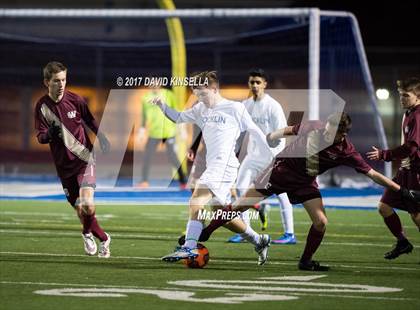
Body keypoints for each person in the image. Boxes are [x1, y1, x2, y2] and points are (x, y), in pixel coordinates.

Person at [196, 112, 420, 271]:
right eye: (326, 130)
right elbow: (290, 129)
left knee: (321, 221)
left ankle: (305, 261)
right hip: (280, 171)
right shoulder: (316, 126)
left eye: (331, 134)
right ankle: (205, 233)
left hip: (305, 183)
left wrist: (401, 190)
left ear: (342, 135)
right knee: (239, 206)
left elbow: (372, 174)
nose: (326, 135)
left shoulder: (346, 151)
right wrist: (272, 136)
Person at [153, 71, 274, 265]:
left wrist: (270, 156)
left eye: (202, 93)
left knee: (196, 200)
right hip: (216, 166)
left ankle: (189, 247)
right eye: (196, 94)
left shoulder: (235, 108)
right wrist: (161, 106)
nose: (199, 98)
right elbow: (178, 117)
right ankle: (259, 240)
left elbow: (255, 130)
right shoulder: (201, 108)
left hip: (224, 166)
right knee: (222, 216)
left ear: (214, 89)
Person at [34, 61, 111, 258]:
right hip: (64, 167)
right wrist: (49, 134)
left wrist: (101, 137)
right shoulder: (42, 107)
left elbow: (89, 120)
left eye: (64, 80)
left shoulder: (75, 100)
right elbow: (40, 136)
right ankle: (104, 238)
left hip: (85, 159)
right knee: (81, 211)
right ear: (46, 82)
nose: (61, 84)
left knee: (87, 204)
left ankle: (86, 233)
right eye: (56, 81)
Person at [228, 68, 296, 244]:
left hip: (272, 157)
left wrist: (279, 156)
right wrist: (234, 151)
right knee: (241, 189)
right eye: (252, 82)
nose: (255, 85)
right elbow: (240, 131)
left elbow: (283, 132)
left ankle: (290, 234)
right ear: (248, 84)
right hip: (252, 157)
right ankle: (245, 231)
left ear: (265, 84)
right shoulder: (245, 105)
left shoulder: (273, 106)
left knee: (281, 194)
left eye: (258, 82)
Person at [366, 77, 420, 259]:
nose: (402, 99)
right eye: (400, 95)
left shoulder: (418, 116)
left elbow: (412, 147)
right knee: (384, 206)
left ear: (418, 97)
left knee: (416, 215)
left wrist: (385, 154)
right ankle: (403, 242)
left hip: (416, 173)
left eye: (406, 95)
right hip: (405, 171)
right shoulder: (409, 113)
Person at [137, 85, 187, 189]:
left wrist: (182, 130)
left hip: (169, 132)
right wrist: (141, 131)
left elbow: (177, 112)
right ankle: (144, 181)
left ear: (160, 83)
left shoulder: (169, 94)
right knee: (147, 157)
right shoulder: (145, 97)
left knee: (173, 157)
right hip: (154, 133)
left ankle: (183, 181)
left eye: (156, 82)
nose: (154, 85)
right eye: (151, 82)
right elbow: (144, 116)